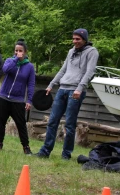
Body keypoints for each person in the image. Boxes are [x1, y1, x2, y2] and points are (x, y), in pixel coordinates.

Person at [35, 28, 99, 160]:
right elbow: (63, 70)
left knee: (70, 124)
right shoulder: (71, 51)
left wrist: (79, 88)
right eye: (73, 38)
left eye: (78, 39)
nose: (75, 41)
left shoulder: (92, 52)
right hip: (62, 89)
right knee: (52, 121)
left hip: (75, 91)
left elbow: (90, 72)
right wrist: (51, 85)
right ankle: (45, 151)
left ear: (84, 40)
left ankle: (66, 154)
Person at [0, 39, 35, 155]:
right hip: (3, 97)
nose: (18, 52)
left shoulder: (30, 67)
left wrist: (29, 100)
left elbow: (31, 84)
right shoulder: (9, 61)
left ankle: (26, 147)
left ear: (25, 52)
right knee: (1, 122)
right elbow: (5, 70)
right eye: (16, 50)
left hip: (18, 100)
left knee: (21, 124)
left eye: (20, 51)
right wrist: (16, 59)